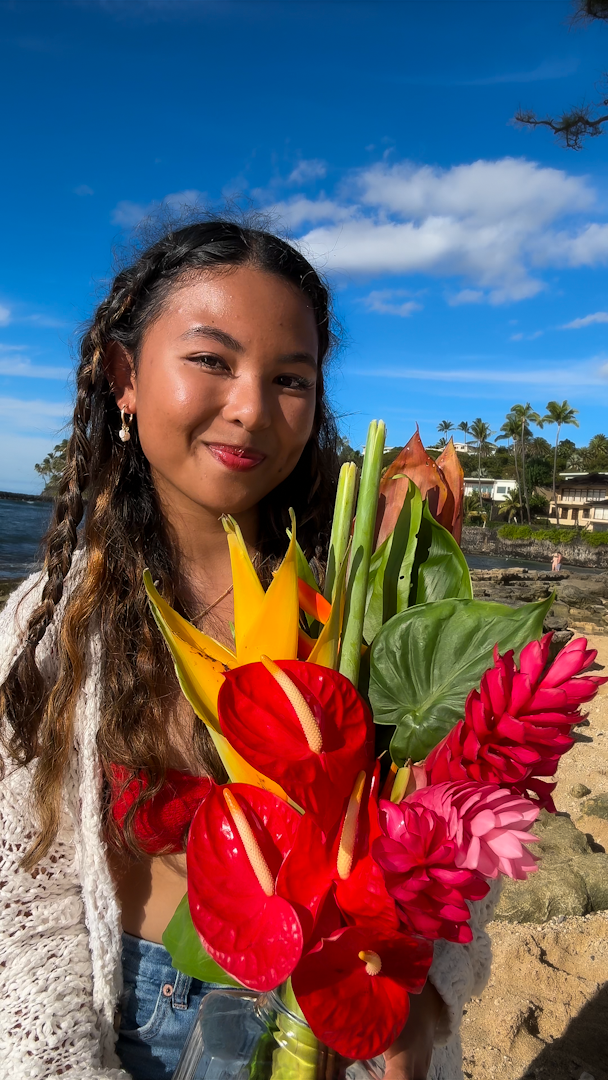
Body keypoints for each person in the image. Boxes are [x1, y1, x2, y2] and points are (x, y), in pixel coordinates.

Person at [0, 220, 499, 1080]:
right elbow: (25, 907)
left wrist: (414, 998)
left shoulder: (362, 603)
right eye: (211, 360)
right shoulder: (53, 624)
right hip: (130, 1022)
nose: (251, 408)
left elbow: (449, 843)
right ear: (124, 376)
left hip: (332, 1020)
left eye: (290, 379)